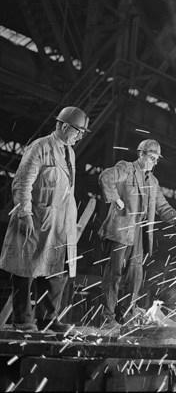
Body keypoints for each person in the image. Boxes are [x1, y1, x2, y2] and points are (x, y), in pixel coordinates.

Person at [0, 106, 91, 332]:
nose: (80, 136)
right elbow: (22, 183)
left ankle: (48, 319)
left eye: (82, 133)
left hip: (59, 223)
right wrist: (25, 214)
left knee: (55, 273)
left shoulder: (69, 152)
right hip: (35, 219)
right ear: (62, 126)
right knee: (25, 271)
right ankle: (23, 321)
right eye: (78, 131)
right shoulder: (40, 147)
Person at [98, 139, 176, 330]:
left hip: (139, 236)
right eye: (151, 158)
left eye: (156, 159)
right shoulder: (125, 168)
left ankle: (126, 316)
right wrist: (116, 199)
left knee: (135, 278)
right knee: (114, 276)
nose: (154, 162)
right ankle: (107, 318)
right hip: (120, 232)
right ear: (140, 154)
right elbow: (105, 177)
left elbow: (162, 207)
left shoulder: (153, 181)